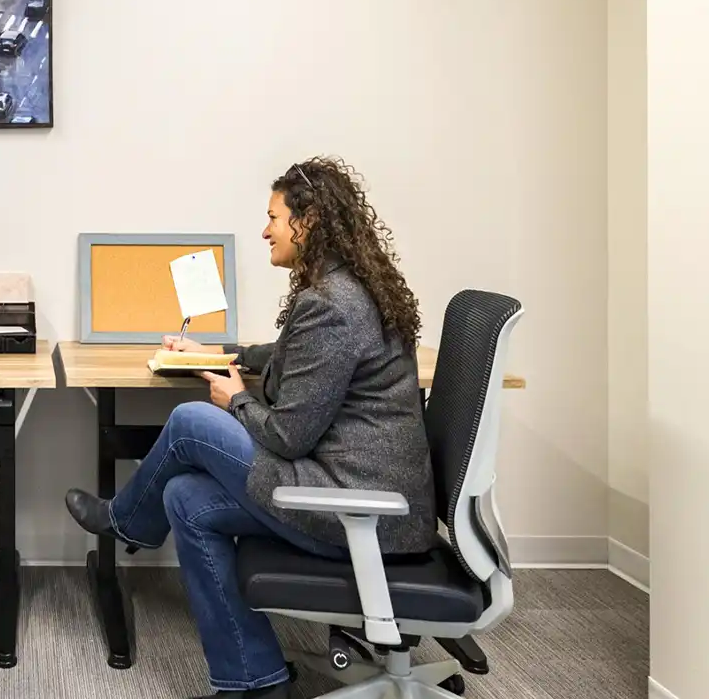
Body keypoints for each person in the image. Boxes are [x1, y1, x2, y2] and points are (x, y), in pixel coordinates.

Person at [65, 157, 438, 699]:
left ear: (307, 222)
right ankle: (255, 680)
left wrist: (234, 395)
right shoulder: (347, 289)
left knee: (192, 419)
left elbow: (289, 437)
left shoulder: (331, 306)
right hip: (360, 493)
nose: (265, 231)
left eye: (273, 217)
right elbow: (293, 356)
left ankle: (124, 523)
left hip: (362, 515)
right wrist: (222, 353)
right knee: (187, 497)